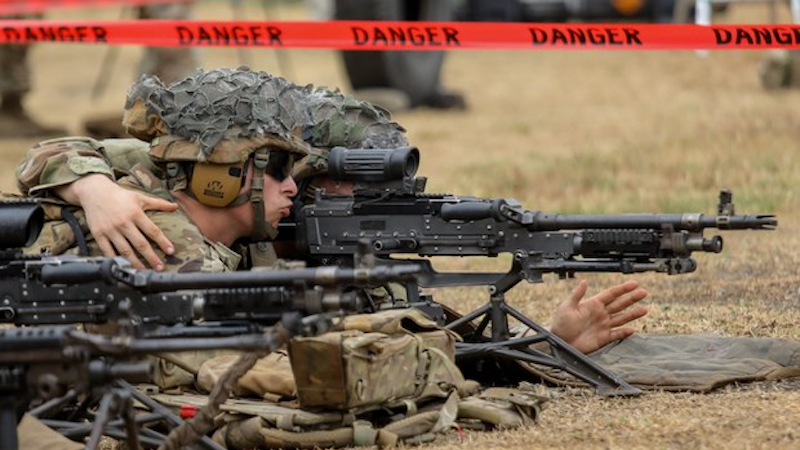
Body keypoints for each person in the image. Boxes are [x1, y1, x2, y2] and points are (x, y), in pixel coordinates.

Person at [16, 67, 648, 355]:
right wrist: (94, 189)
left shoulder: (254, 233)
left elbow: (389, 327)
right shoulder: (161, 240)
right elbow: (313, 360)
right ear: (215, 178)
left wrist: (544, 345)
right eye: (284, 170)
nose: (299, 188)